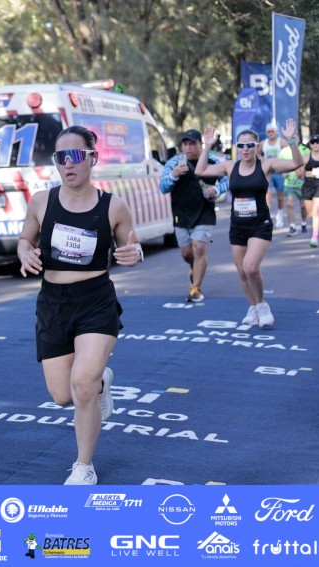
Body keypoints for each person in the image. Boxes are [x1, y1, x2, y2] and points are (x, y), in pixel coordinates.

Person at [17, 125, 142, 485]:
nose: (67, 164)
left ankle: (84, 466)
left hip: (95, 301)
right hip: (53, 303)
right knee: (62, 395)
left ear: (92, 158)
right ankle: (102, 381)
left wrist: (135, 253)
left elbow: (132, 245)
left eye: (75, 156)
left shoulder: (113, 206)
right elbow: (25, 239)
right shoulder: (42, 201)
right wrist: (25, 252)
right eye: (61, 157)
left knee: (82, 384)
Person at [195, 120, 304, 329]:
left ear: (257, 146)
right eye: (241, 145)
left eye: (250, 145)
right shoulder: (230, 166)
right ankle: (253, 307)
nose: (245, 149)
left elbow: (296, 163)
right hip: (238, 225)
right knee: (242, 272)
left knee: (251, 267)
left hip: (260, 224)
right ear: (237, 147)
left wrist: (291, 141)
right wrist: (207, 145)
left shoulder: (266, 165)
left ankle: (262, 305)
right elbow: (201, 170)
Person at [159, 129, 229, 302]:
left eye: (192, 144)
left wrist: (216, 190)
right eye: (185, 144)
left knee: (199, 248)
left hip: (204, 212)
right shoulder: (174, 162)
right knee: (187, 253)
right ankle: (194, 267)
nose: (188, 148)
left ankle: (195, 288)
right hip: (181, 213)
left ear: (200, 145)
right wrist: (174, 175)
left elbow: (227, 180)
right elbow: (163, 187)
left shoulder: (211, 161)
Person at [258, 122, 289, 228]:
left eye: (272, 131)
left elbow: (290, 153)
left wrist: (286, 170)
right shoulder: (263, 143)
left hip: (279, 173)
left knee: (280, 198)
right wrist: (262, 159)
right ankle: (267, 218)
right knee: (267, 196)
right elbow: (257, 153)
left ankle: (280, 216)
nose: (271, 133)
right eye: (269, 131)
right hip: (268, 173)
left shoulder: (282, 142)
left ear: (276, 132)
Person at [277, 142, 308, 236]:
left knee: (303, 205)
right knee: (289, 204)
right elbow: (279, 164)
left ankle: (303, 223)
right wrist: (283, 171)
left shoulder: (304, 149)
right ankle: (292, 227)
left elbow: (308, 164)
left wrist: (302, 171)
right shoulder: (284, 151)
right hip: (289, 183)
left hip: (302, 183)